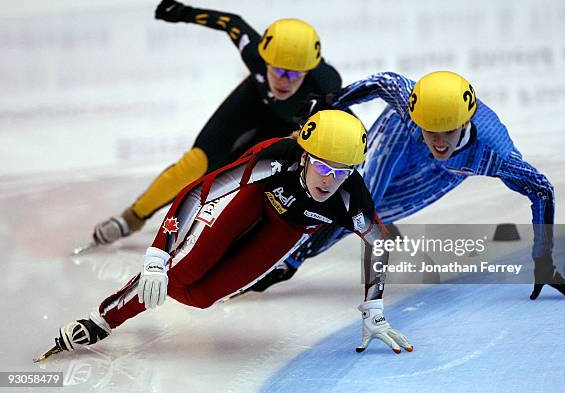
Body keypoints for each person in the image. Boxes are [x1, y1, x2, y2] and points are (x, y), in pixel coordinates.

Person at [36, 110, 412, 363]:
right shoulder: (274, 159)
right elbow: (199, 191)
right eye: (323, 165)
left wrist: (374, 308)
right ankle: (105, 318)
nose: (330, 179)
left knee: (200, 297)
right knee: (184, 268)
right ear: (304, 157)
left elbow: (378, 243)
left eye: (343, 170)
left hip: (288, 228)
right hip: (255, 195)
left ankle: (160, 282)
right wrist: (157, 255)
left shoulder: (350, 197)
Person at [252, 71, 565, 301]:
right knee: (354, 200)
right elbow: (382, 82)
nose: (438, 142)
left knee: (367, 216)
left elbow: (541, 189)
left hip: (446, 172)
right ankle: (283, 241)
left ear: (465, 123)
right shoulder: (409, 103)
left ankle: (289, 261)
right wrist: (332, 100)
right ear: (416, 112)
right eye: (430, 129)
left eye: (447, 132)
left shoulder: (496, 153)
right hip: (400, 135)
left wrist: (544, 259)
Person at [91, 0, 342, 246]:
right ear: (265, 60)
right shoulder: (254, 55)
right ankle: (131, 218)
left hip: (286, 126)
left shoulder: (326, 85)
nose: (284, 80)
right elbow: (232, 23)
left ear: (309, 71)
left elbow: (342, 126)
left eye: (294, 74)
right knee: (195, 165)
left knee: (249, 178)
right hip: (251, 102)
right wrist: (182, 12)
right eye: (277, 70)